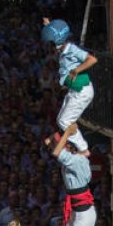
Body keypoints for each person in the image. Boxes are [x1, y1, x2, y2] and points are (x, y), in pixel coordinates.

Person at [48, 124, 96, 226]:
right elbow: (48, 142)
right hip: (77, 211)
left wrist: (68, 132)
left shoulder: (76, 161)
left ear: (69, 146)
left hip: (84, 213)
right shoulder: (75, 157)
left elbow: (56, 152)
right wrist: (63, 129)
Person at [41, 18, 97, 154]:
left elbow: (92, 59)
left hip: (82, 91)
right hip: (74, 90)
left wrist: (76, 70)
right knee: (61, 120)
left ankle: (83, 149)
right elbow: (56, 33)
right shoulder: (63, 49)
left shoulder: (73, 49)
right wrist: (49, 26)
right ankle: (68, 140)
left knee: (65, 121)